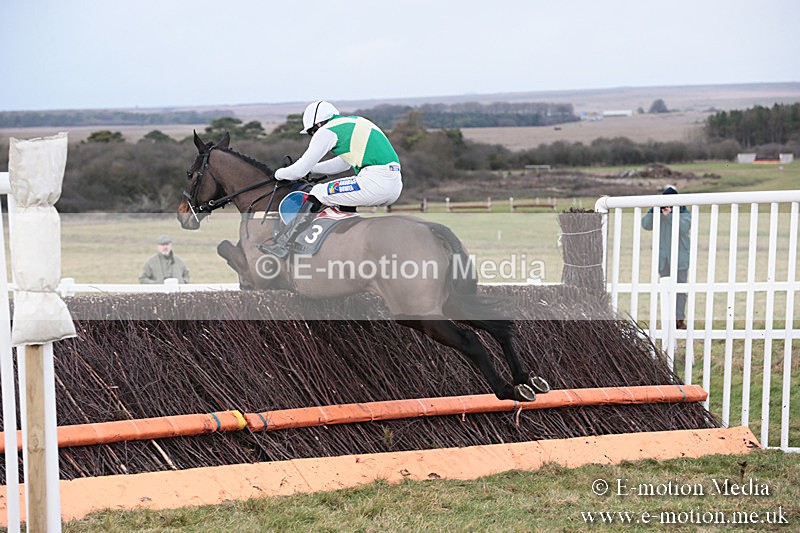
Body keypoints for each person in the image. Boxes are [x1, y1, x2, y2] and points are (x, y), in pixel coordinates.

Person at [260, 100, 402, 258]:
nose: (313, 136)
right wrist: (313, 168)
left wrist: (278, 174)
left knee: (318, 191)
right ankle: (344, 240)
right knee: (338, 194)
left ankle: (283, 244)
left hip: (375, 181)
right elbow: (343, 165)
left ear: (318, 124)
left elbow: (298, 171)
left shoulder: (326, 130)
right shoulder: (354, 123)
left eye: (311, 132)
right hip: (393, 183)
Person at [641, 185, 691, 329]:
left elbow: (684, 227)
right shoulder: (658, 212)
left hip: (680, 258)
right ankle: (668, 319)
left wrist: (670, 215)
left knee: (680, 290)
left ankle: (679, 320)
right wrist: (654, 209)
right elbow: (645, 224)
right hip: (663, 259)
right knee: (666, 290)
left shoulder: (684, 211)